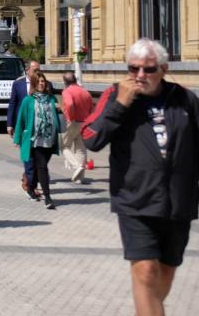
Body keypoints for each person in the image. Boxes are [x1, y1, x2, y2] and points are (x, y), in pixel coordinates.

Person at [82, 38, 199, 316]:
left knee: (165, 275)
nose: (140, 76)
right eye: (133, 69)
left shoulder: (184, 98)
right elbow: (90, 138)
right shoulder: (114, 95)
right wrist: (120, 105)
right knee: (146, 272)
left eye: (148, 69)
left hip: (178, 203)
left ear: (164, 68)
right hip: (135, 201)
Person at [13, 72, 62, 209]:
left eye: (43, 81)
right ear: (34, 83)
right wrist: (17, 138)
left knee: (36, 167)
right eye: (39, 81)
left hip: (49, 139)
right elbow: (21, 120)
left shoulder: (51, 99)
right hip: (34, 140)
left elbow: (55, 116)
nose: (42, 83)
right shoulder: (28, 100)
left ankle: (30, 187)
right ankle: (48, 197)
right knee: (43, 167)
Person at [7, 59, 45, 195]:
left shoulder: (44, 84)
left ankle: (28, 180)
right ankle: (30, 184)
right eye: (35, 70)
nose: (38, 73)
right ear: (27, 71)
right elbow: (12, 103)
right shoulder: (18, 84)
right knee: (28, 156)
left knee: (35, 158)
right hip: (23, 126)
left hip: (39, 129)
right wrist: (10, 124)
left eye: (39, 70)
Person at [61, 71, 93, 184]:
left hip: (73, 122)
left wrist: (71, 117)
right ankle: (80, 178)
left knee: (63, 146)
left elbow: (69, 104)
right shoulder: (85, 92)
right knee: (81, 149)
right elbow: (91, 108)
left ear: (65, 82)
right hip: (84, 123)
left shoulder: (67, 91)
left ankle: (77, 165)